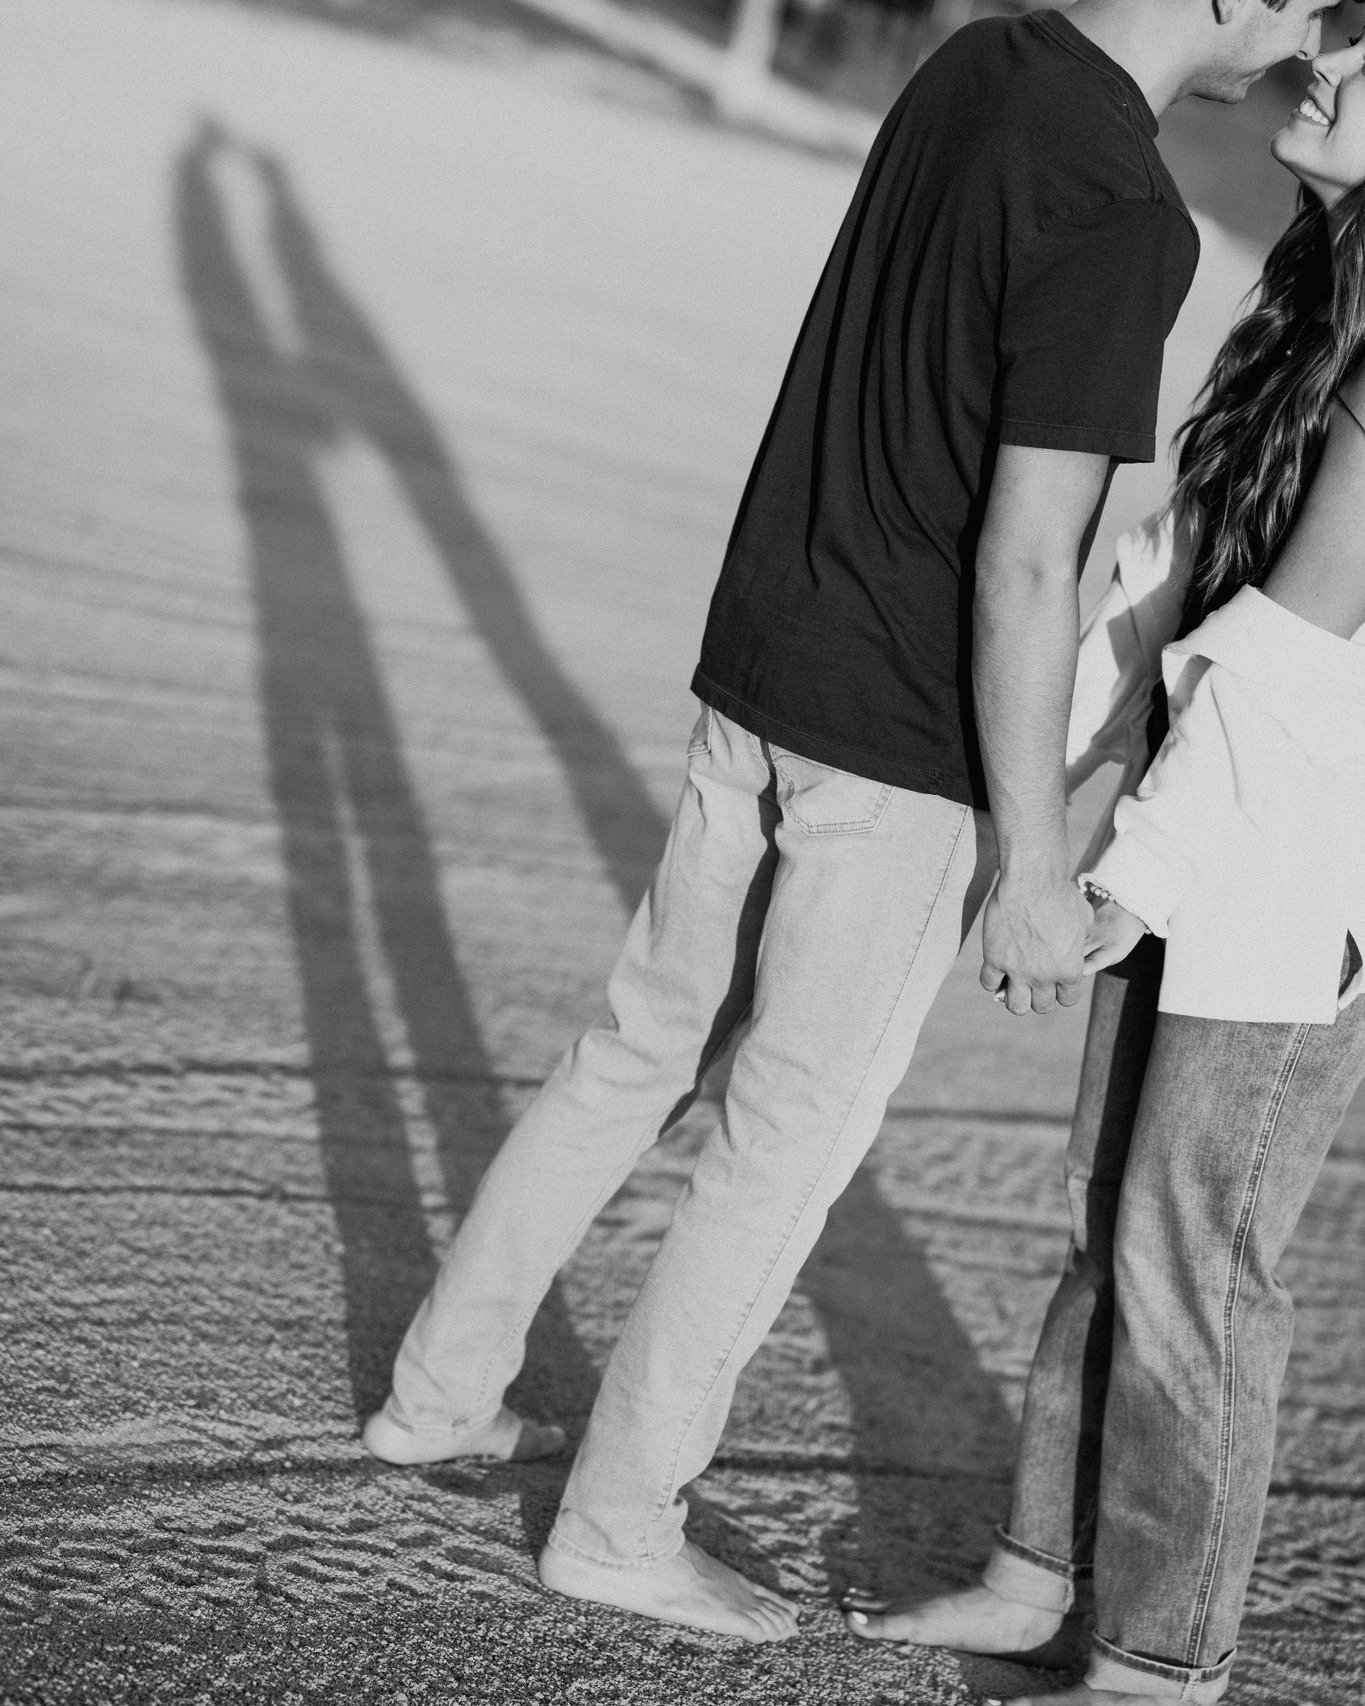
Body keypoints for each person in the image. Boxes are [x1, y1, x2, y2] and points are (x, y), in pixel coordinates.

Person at [360, 0, 1330, 1643]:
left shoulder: (973, 64)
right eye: (1307, 1)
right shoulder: (1123, 209)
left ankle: (436, 1394)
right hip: (894, 745)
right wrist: (1031, 861)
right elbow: (1029, 560)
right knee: (779, 1145)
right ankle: (617, 1521)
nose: (1308, 36)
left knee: (637, 1048)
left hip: (763, 652)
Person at [843, 34, 1365, 1703]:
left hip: (1283, 884)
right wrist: (1006, 777)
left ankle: (1157, 1658)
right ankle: (1036, 1576)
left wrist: (1115, 878)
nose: (1328, 58)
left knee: (1191, 1260)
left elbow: (1286, 658)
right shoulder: (1319, 294)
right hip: (1193, 830)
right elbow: (1170, 571)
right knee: (1100, 1223)